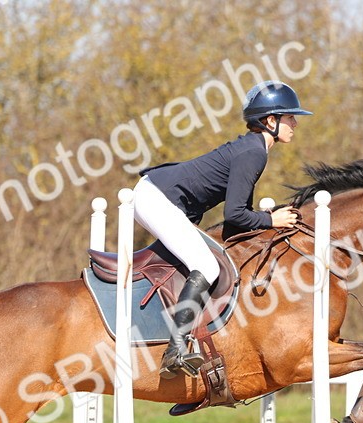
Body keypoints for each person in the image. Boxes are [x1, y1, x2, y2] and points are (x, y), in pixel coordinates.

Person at [134, 81, 312, 377]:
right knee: (205, 265)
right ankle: (175, 350)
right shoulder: (254, 152)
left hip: (158, 195)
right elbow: (235, 215)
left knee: (202, 260)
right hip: (155, 199)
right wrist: (272, 220)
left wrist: (265, 216)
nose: (295, 123)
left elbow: (237, 216)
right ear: (271, 121)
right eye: (290, 117)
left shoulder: (253, 148)